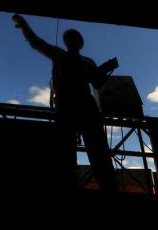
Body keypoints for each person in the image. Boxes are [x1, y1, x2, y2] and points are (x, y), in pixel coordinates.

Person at [12, 14, 117, 192]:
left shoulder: (73, 58)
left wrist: (106, 70)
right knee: (75, 152)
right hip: (75, 107)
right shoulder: (68, 57)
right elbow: (36, 42)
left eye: (73, 38)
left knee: (92, 151)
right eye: (70, 38)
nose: (72, 40)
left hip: (76, 107)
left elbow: (96, 83)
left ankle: (107, 186)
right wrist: (24, 26)